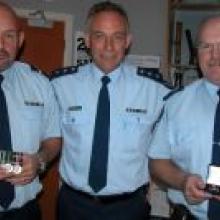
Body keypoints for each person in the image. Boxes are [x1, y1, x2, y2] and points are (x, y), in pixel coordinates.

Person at [51, 1, 169, 220]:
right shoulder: (59, 85)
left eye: (117, 37)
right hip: (74, 206)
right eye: (99, 36)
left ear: (128, 41)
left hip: (128, 207)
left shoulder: (155, 90)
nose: (108, 46)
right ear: (86, 40)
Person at [148, 15, 220, 220]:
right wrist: (183, 181)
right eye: (206, 46)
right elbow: (157, 161)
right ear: (197, 53)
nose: (215, 55)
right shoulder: (176, 103)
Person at [0, 2, 61, 220]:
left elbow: (53, 139)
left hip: (24, 213)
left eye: (8, 35)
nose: (1, 44)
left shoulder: (39, 84)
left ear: (20, 40)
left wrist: (40, 161)